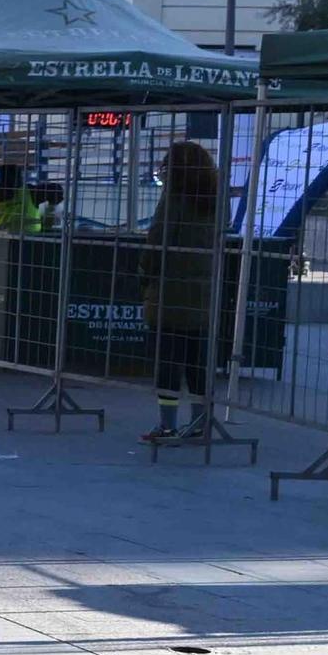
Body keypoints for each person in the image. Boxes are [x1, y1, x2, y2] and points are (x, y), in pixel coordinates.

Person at [140, 142, 221, 444]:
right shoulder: (216, 197)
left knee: (168, 362)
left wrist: (145, 273)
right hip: (203, 291)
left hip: (169, 291)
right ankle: (200, 422)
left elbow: (158, 238)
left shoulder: (173, 198)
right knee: (197, 361)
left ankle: (167, 425)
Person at [0, 163, 46, 234]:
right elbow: (56, 190)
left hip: (3, 238)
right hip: (30, 237)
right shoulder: (29, 191)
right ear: (19, 176)